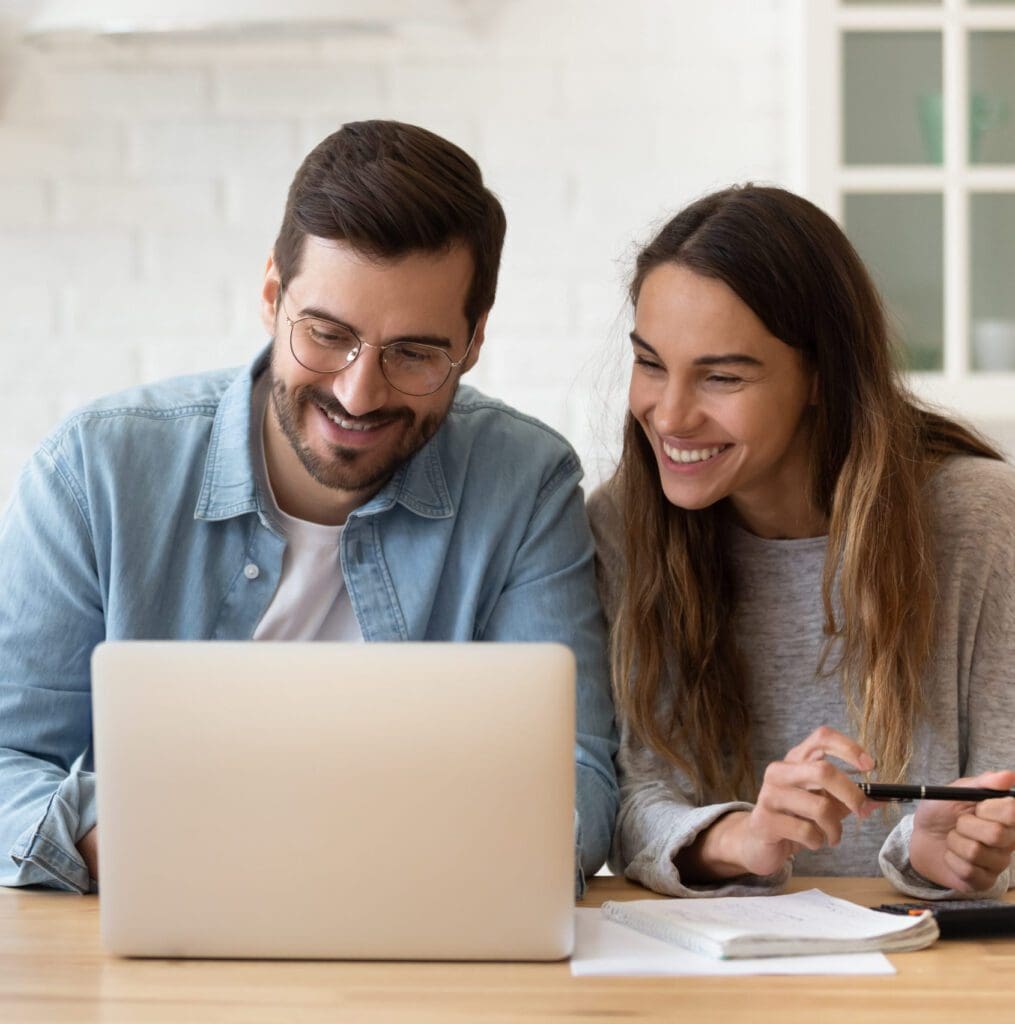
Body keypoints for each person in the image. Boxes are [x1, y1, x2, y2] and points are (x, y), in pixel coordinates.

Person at [0, 120, 618, 895]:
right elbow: (8, 754)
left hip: (423, 940)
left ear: (474, 341)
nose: (359, 394)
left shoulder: (524, 483)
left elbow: (575, 775)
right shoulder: (95, 470)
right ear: (270, 296)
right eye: (327, 335)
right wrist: (115, 838)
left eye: (415, 354)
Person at [589, 184, 1015, 900]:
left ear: (822, 377)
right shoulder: (621, 524)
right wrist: (744, 839)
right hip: (711, 971)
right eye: (650, 363)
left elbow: (1001, 798)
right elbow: (631, 798)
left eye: (721, 376)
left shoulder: (979, 522)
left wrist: (950, 853)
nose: (669, 414)